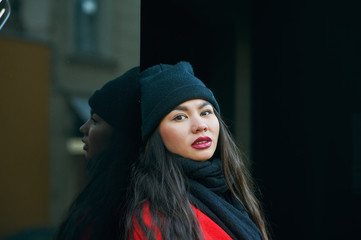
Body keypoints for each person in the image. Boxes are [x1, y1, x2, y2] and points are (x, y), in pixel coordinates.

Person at [125, 61, 270, 240]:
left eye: (206, 112)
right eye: (180, 117)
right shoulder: (152, 219)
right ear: (156, 135)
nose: (200, 125)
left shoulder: (234, 196)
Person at [55, 66, 142, 240]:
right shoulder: (106, 195)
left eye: (95, 120)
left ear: (121, 135)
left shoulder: (123, 210)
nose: (83, 128)